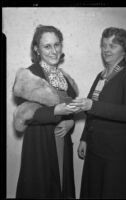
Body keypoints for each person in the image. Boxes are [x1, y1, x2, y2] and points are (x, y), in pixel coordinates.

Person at [69, 27, 126, 198]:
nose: (106, 50)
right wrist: (84, 139)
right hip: (95, 148)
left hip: (116, 153)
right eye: (103, 45)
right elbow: (91, 112)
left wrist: (91, 105)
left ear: (124, 49)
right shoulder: (101, 75)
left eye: (112, 46)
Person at [12, 25, 80, 199]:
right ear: (37, 49)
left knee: (62, 187)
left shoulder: (65, 77)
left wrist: (70, 121)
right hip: (40, 141)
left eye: (57, 45)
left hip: (62, 140)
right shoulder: (29, 75)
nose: (53, 51)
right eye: (47, 46)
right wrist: (56, 111)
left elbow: (69, 109)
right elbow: (24, 115)